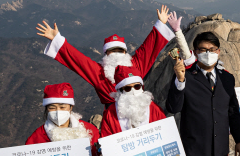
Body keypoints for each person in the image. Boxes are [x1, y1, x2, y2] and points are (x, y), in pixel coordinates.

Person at [35, 7, 192, 114]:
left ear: (125, 52)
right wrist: (58, 40)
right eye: (112, 51)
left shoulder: (135, 65)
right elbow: (78, 60)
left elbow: (148, 47)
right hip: (114, 118)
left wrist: (161, 24)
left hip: (143, 115)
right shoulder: (98, 73)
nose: (116, 54)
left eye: (120, 50)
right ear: (106, 55)